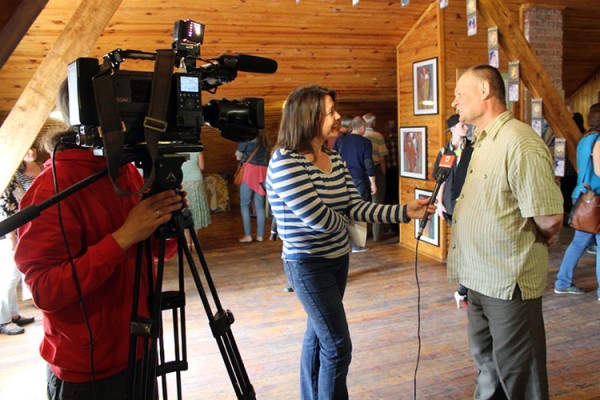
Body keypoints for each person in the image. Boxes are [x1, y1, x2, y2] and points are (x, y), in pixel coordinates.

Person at [266, 84, 435, 400]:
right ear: (308, 117)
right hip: (307, 265)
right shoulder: (285, 162)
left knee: (319, 336)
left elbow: (357, 206)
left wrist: (405, 212)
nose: (338, 117)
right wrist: (348, 224)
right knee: (337, 345)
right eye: (330, 112)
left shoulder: (333, 156)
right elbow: (318, 218)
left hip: (337, 259)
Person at [14, 129, 183, 399]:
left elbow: (154, 250)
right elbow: (45, 290)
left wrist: (165, 220)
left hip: (140, 344)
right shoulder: (51, 187)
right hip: (89, 371)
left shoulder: (124, 171)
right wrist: (124, 236)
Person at [448, 65, 563, 400]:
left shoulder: (519, 141)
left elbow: (550, 218)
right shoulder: (482, 141)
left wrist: (547, 232)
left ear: (485, 90)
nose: (455, 101)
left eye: (460, 92)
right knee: (488, 366)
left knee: (520, 373)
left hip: (506, 279)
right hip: (478, 275)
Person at [554, 103, 600, 300]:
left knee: (578, 242)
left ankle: (562, 283)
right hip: (595, 200)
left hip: (582, 196)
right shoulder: (599, 140)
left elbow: (584, 170)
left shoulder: (585, 140)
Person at [431, 114, 473, 308]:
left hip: (469, 203)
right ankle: (464, 290)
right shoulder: (445, 151)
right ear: (453, 129)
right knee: (466, 246)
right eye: (463, 125)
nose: (466, 127)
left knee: (469, 245)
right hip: (450, 203)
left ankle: (464, 290)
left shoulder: (473, 149)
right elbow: (441, 179)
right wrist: (439, 202)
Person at [0, 146, 41, 335]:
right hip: (9, 234)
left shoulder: (12, 179)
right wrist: (12, 240)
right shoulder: (6, 178)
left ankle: (13, 314)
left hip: (18, 231)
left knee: (14, 275)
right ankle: (3, 321)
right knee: (7, 278)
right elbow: (5, 211)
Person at [334, 116, 377, 252]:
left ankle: (342, 242)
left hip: (341, 178)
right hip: (358, 179)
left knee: (342, 210)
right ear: (363, 127)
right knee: (358, 211)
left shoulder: (340, 140)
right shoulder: (365, 142)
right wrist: (373, 183)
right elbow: (368, 163)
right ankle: (357, 245)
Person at [235, 130, 270, 243]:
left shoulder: (246, 138)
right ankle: (260, 235)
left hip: (249, 172)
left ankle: (248, 235)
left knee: (245, 204)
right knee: (259, 205)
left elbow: (238, 156)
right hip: (263, 173)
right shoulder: (265, 139)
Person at [362, 112, 388, 241]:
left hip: (362, 172)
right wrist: (383, 173)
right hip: (376, 169)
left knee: (364, 202)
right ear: (374, 123)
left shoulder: (360, 136)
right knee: (377, 202)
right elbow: (382, 157)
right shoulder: (378, 136)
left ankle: (366, 233)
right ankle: (378, 234)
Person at [181, 150, 211, 250]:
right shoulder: (197, 149)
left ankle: (187, 243)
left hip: (183, 180)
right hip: (196, 180)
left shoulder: (177, 149)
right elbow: (202, 167)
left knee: (184, 211)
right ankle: (194, 243)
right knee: (196, 211)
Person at [384, 120, 399, 235]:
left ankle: (392, 227)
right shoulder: (400, 139)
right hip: (399, 172)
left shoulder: (386, 141)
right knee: (398, 198)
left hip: (389, 172)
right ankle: (399, 228)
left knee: (389, 200)